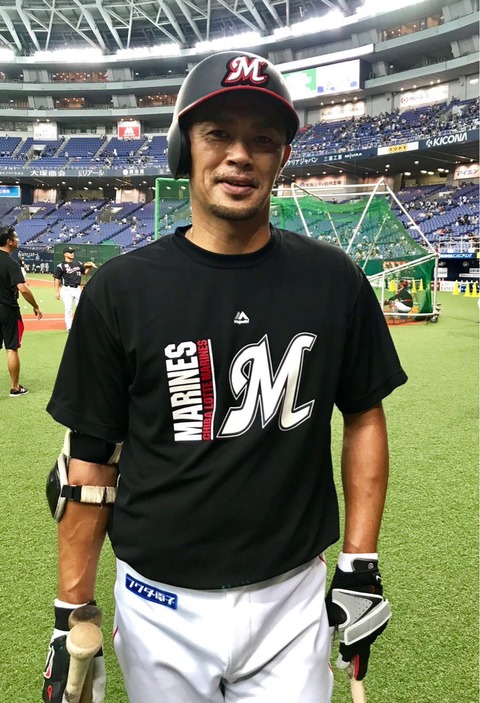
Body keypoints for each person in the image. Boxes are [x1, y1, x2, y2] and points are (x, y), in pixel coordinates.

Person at [43, 51, 407, 703]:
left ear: (282, 157)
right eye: (218, 134)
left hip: (290, 599)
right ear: (185, 146)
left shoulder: (335, 281)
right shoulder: (121, 290)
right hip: (159, 603)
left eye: (262, 139)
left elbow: (363, 414)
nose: (240, 155)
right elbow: (89, 462)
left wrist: (360, 562)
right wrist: (71, 608)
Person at [0, 225, 42, 396]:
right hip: (8, 310)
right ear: (9, 241)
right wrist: (35, 306)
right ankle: (15, 387)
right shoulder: (11, 263)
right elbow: (23, 289)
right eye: (15, 237)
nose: (18, 240)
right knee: (11, 348)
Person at [53, 247, 97, 332]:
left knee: (82, 308)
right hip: (67, 290)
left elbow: (85, 272)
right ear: (65, 254)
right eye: (70, 252)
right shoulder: (61, 266)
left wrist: (89, 267)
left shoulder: (78, 263)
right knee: (68, 308)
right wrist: (56, 292)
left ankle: (82, 325)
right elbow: (57, 278)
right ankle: (69, 327)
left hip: (77, 289)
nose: (72, 253)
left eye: (72, 252)